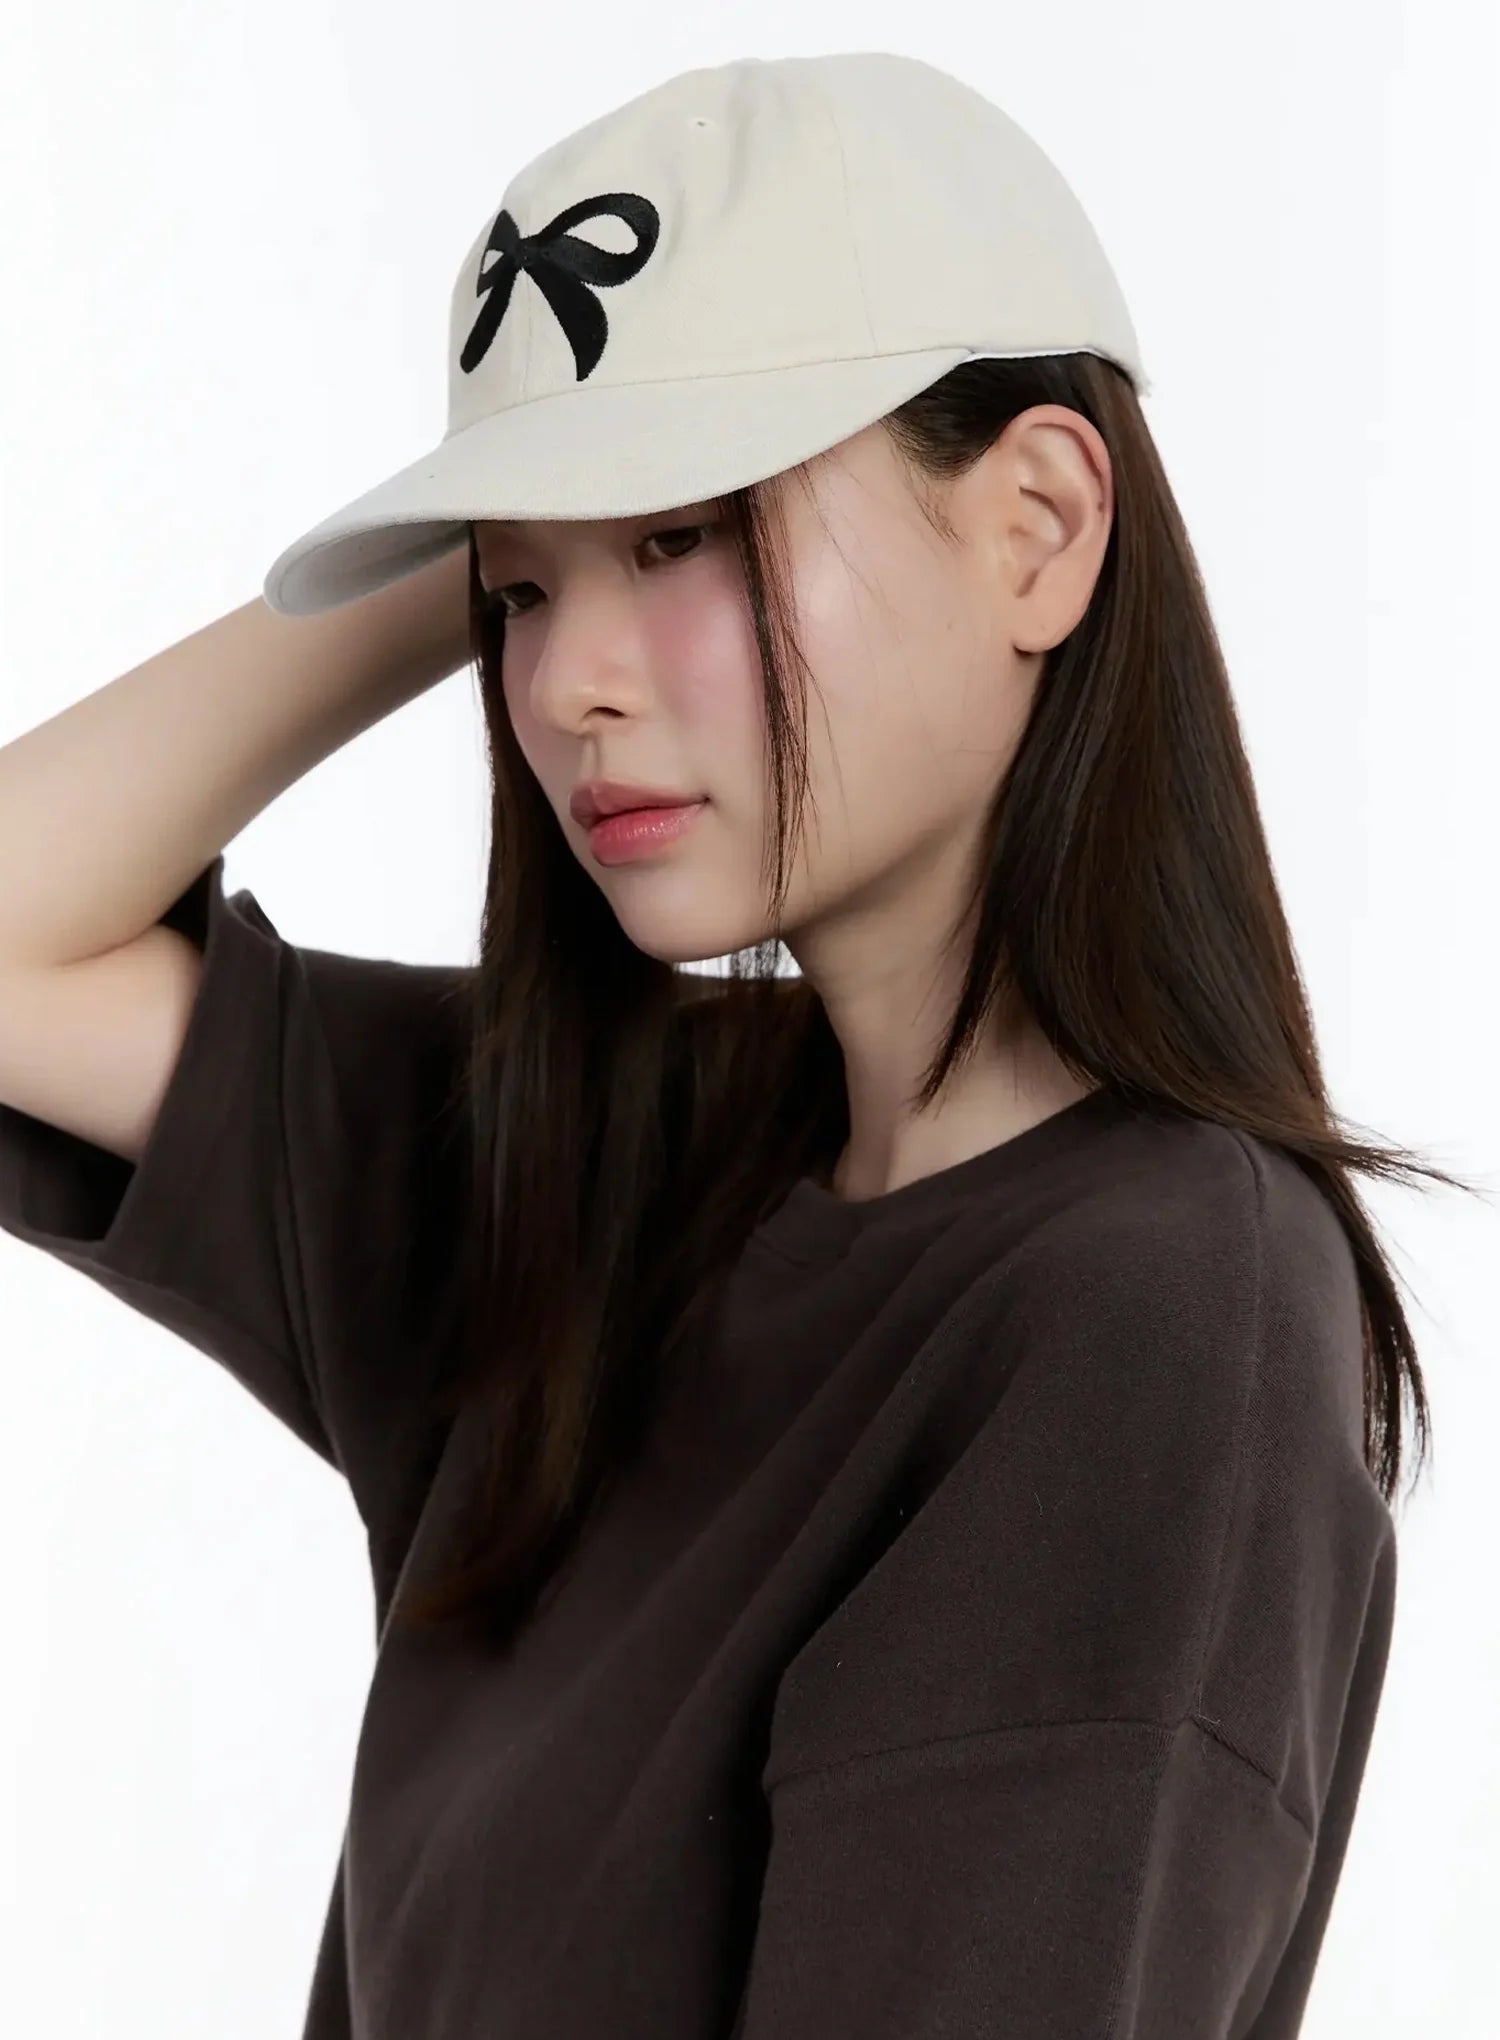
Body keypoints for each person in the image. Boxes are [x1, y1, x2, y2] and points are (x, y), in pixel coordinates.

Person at [0, 48, 1471, 2040]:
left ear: (1038, 528)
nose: (563, 687)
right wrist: (478, 532)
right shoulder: (620, 1162)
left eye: (684, 533)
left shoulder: (1153, 1315)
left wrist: (544, 519)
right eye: (523, 593)